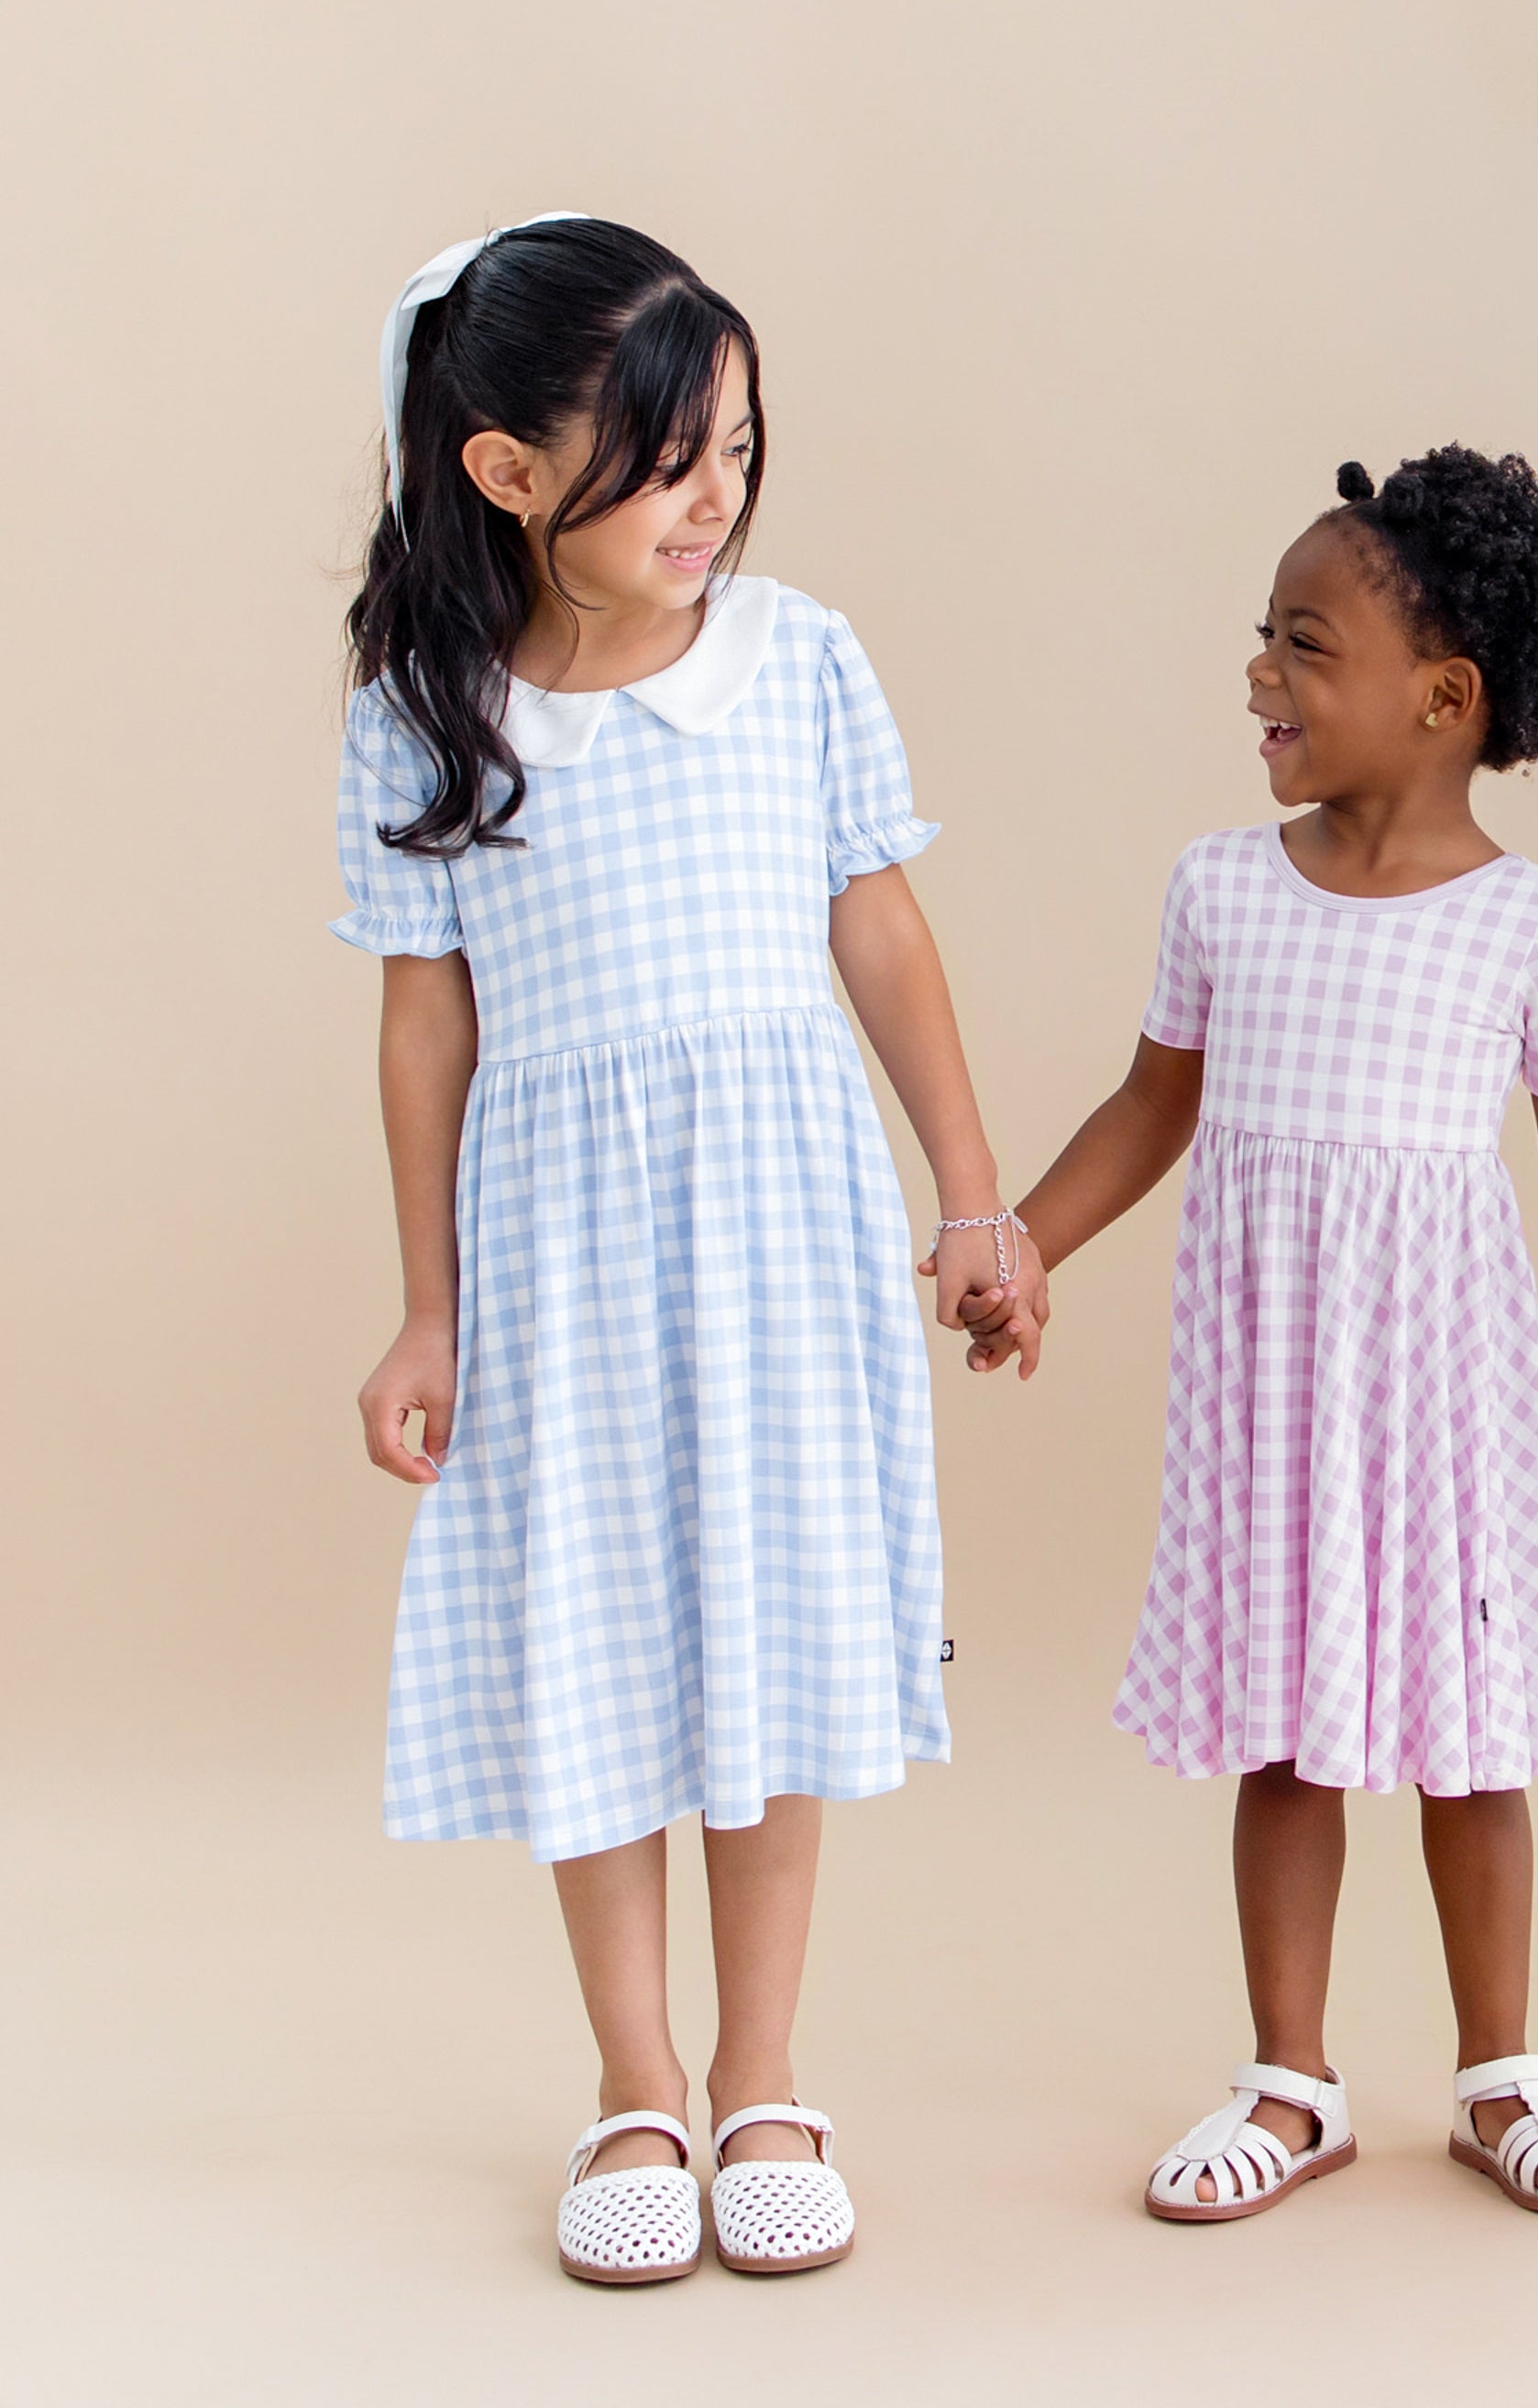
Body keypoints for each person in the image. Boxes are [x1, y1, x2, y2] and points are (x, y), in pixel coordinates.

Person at [332, 214, 1043, 2283]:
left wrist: (973, 1189)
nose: (712, 492)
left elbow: (877, 923)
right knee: (594, 1631)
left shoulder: (798, 655)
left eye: (736, 444)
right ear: (506, 472)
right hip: (558, 1242)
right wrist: (426, 1308)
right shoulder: (428, 710)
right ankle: (635, 2083)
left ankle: (763, 2077)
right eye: (662, 456)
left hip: (781, 1217)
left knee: (773, 1621)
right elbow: (423, 1022)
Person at [972, 449, 1538, 2222]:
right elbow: (1150, 1105)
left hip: (1443, 1399)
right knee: (1285, 1730)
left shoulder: (1533, 926)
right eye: (1265, 637)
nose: (1261, 674)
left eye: (1304, 645)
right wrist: (1029, 1238)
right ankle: (1290, 2082)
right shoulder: (1221, 891)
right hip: (1270, 1390)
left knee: (1468, 1741)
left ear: (1444, 697)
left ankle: (1501, 2077)